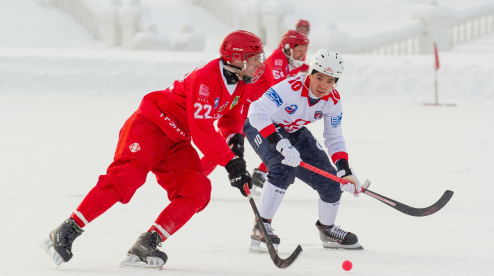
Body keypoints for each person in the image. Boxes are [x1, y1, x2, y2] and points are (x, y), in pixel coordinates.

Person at [39, 30, 265, 269]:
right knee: (125, 180)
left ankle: (147, 244)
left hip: (177, 140)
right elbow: (201, 130)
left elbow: (230, 117)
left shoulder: (242, 83)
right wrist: (230, 162)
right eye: (253, 57)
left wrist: (235, 141)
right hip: (150, 126)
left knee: (197, 190)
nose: (258, 63)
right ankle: (66, 230)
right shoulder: (207, 78)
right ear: (237, 57)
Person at [244, 49, 363, 252]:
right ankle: (261, 227)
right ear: (310, 73)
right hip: (262, 126)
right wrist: (280, 144)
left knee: (331, 180)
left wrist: (345, 171)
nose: (323, 86)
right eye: (319, 78)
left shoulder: (333, 100)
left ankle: (328, 230)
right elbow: (257, 112)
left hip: (294, 130)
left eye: (330, 81)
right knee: (282, 169)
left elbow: (334, 137)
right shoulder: (290, 87)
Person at [200, 30, 310, 196]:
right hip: (245, 107)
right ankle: (197, 176)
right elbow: (280, 89)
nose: (303, 54)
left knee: (282, 138)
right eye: (300, 49)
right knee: (226, 146)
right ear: (288, 48)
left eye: (304, 50)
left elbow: (308, 71)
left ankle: (260, 173)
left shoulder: (290, 61)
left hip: (260, 109)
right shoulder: (278, 60)